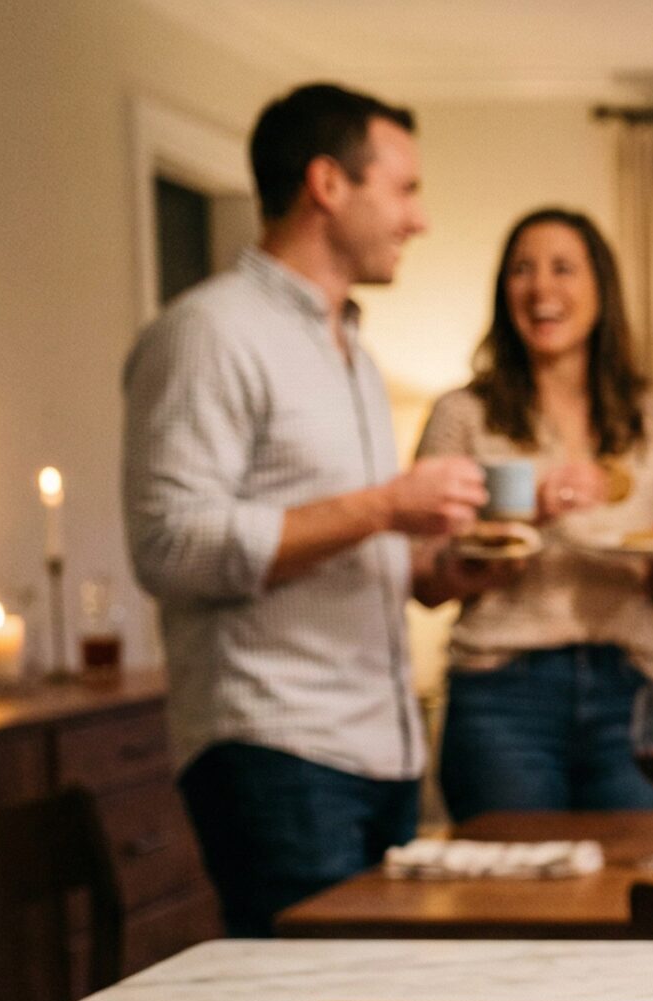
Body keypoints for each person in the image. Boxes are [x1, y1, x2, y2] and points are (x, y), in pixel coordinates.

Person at [125, 82, 483, 938]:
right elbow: (169, 545)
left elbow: (339, 545)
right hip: (276, 747)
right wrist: (388, 503)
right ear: (328, 184)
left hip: (380, 746)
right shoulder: (208, 333)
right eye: (403, 189)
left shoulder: (353, 353)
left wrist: (444, 570)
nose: (418, 218)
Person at [413, 208, 653, 820]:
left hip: (627, 686)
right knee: (515, 901)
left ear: (601, 289)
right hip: (500, 693)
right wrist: (525, 520)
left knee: (640, 889)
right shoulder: (463, 415)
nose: (541, 288)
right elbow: (424, 578)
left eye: (563, 268)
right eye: (522, 270)